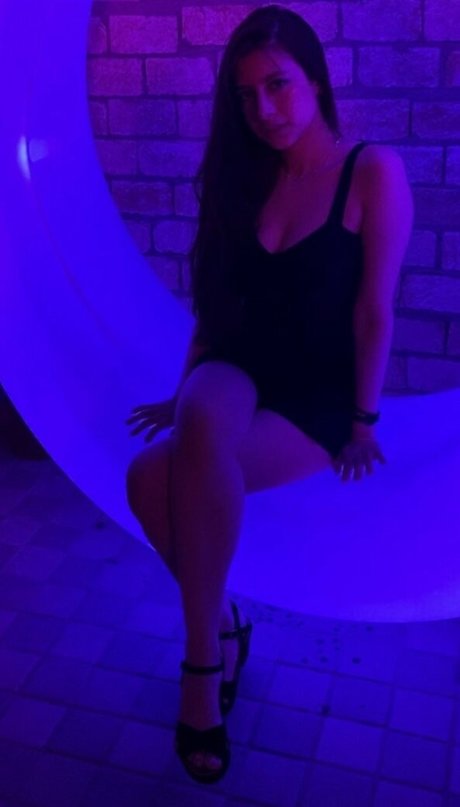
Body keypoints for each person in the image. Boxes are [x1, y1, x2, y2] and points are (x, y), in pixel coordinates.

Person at [125, 3, 414, 783]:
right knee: (192, 420)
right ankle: (209, 648)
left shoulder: (371, 172)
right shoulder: (246, 177)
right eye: (246, 95)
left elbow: (374, 310)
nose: (265, 109)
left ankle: (213, 647)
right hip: (240, 366)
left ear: (315, 79)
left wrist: (363, 421)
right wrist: (180, 388)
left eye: (278, 85)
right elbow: (219, 306)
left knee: (152, 479)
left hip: (314, 392)